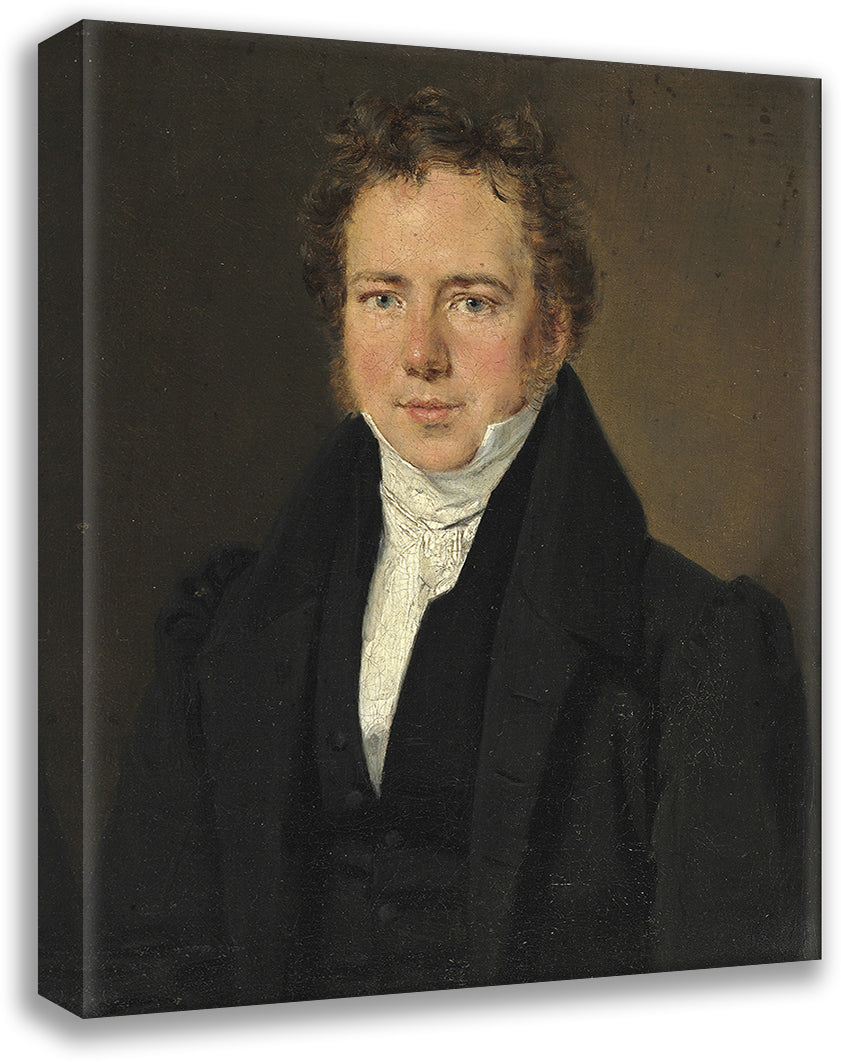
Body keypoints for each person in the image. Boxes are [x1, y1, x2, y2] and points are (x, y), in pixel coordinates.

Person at [92, 88, 812, 1016]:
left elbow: (727, 1009)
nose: (420, 354)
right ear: (341, 319)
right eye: (382, 298)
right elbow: (146, 970)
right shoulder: (225, 626)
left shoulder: (693, 648)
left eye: (471, 302)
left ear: (554, 329)